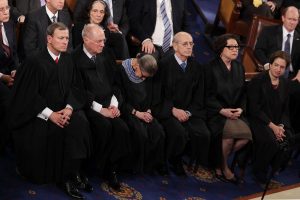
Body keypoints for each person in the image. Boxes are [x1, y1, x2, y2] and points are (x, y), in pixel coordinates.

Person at [9, 22, 92, 199]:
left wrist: (69, 109)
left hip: (64, 110)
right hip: (38, 114)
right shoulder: (34, 62)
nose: (65, 42)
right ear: (49, 39)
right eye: (60, 38)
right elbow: (27, 96)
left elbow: (75, 88)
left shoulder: (68, 60)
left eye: (67, 38)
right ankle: (64, 179)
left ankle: (74, 172)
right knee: (57, 131)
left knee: (80, 123)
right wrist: (50, 114)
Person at [72, 24, 131, 191]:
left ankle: (110, 168)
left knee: (122, 129)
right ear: (86, 39)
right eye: (99, 41)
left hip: (109, 103)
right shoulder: (74, 58)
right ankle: (88, 168)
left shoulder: (106, 54)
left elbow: (115, 83)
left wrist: (113, 104)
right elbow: (78, 90)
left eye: (104, 41)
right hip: (89, 106)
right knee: (103, 127)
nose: (102, 45)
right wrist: (100, 109)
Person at [158, 32, 210, 175]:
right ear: (175, 46)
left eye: (191, 44)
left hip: (188, 111)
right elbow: (158, 94)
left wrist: (188, 112)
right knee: (179, 132)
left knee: (204, 133)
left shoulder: (197, 67)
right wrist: (173, 110)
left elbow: (199, 96)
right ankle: (166, 161)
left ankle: (181, 158)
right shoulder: (164, 65)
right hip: (168, 111)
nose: (189, 47)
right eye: (185, 44)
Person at [205, 34, 252, 183]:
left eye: (237, 47)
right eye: (230, 47)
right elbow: (206, 95)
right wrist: (221, 110)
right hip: (216, 112)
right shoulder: (210, 68)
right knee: (229, 137)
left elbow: (244, 93)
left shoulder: (239, 67)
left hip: (235, 112)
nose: (235, 50)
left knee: (246, 137)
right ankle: (224, 167)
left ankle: (218, 160)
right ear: (221, 49)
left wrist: (241, 109)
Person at [247, 50, 293, 184]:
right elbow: (254, 109)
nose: (278, 69)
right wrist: (272, 126)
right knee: (270, 141)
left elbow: (285, 109)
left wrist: (281, 126)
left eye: (282, 67)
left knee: (289, 137)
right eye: (276, 65)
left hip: (277, 122)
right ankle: (259, 170)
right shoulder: (258, 81)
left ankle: (274, 166)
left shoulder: (285, 83)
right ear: (270, 65)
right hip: (259, 120)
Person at [116, 53, 166, 175]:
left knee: (158, 131)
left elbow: (152, 94)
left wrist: (149, 110)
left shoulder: (148, 72)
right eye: (143, 76)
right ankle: (134, 168)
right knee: (140, 133)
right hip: (127, 110)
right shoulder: (121, 71)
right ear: (137, 66)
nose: (144, 79)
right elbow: (119, 98)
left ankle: (150, 166)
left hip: (144, 110)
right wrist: (136, 113)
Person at [254, 6, 300, 132]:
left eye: (295, 20)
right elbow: (258, 50)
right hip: (272, 72)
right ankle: (268, 126)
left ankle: (290, 130)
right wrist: (267, 65)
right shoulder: (269, 31)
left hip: (291, 76)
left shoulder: (298, 37)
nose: (292, 22)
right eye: (290, 19)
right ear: (283, 18)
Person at [0, 0, 19, 152]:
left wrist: (15, 70)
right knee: (8, 99)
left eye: (7, 7)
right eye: (1, 9)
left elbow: (14, 53)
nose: (6, 11)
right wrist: (2, 77)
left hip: (8, 72)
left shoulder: (10, 24)